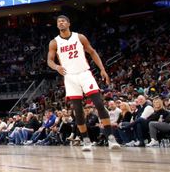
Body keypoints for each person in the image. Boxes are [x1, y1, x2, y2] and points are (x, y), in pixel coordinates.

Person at [47, 15, 120, 151]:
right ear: (57, 26)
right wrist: (57, 67)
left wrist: (102, 69)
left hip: (84, 73)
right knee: (78, 111)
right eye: (58, 22)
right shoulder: (54, 42)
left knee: (98, 103)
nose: (61, 23)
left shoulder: (79, 37)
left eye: (63, 21)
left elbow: (92, 52)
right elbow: (49, 61)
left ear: (68, 23)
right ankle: (85, 139)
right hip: (69, 77)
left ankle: (111, 137)